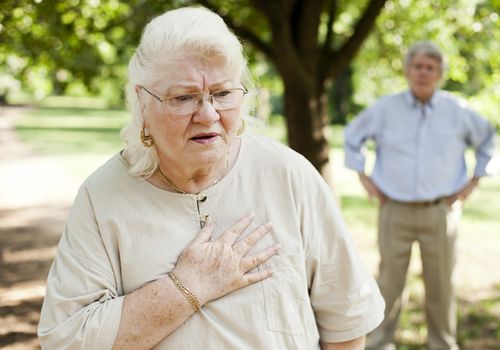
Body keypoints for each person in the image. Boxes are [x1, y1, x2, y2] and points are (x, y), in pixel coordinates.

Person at [38, 6, 384, 350]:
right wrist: (186, 287)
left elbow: (347, 319)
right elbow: (67, 339)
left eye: (221, 94)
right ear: (142, 102)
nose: (207, 114)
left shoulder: (288, 175)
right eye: (184, 97)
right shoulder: (103, 197)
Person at [344, 41, 496, 350]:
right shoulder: (386, 108)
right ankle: (379, 344)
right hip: (393, 209)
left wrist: (473, 183)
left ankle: (442, 344)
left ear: (440, 73)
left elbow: (488, 140)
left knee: (441, 286)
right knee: (388, 284)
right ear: (407, 70)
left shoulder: (457, 111)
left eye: (431, 67)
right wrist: (364, 177)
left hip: (441, 212)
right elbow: (352, 137)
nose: (424, 73)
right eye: (418, 66)